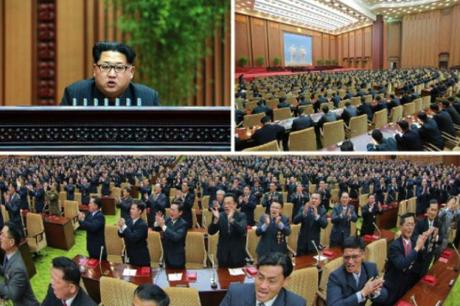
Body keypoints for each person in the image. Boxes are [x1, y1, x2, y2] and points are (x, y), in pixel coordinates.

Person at [60, 41, 159, 106]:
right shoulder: (75, 94)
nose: (112, 74)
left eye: (119, 68)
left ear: (131, 72)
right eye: (105, 67)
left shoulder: (147, 98)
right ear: (95, 70)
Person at [219, 252, 306, 306]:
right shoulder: (235, 293)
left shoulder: (297, 303)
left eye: (272, 281)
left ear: (285, 281)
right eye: (260, 277)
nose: (263, 286)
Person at [381, 213, 430, 306]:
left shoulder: (413, 241)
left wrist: (422, 247)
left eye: (412, 224)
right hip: (392, 287)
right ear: (400, 226)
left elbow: (421, 260)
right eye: (407, 224)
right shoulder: (394, 246)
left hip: (406, 284)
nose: (410, 227)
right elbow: (402, 264)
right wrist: (417, 248)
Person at [327, 237, 387, 306]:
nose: (350, 262)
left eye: (355, 257)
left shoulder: (371, 268)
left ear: (363, 255)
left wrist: (374, 292)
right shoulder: (335, 277)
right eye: (346, 257)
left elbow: (384, 296)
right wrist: (363, 293)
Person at [0, 222, 39, 305]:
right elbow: (6, 271)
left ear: (11, 242)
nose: (0, 237)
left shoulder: (18, 268)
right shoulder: (9, 254)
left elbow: (12, 294)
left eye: (3, 235)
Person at [208, 194, 247, 268]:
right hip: (223, 256)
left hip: (237, 256)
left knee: (238, 279)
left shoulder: (241, 216)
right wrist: (216, 220)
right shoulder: (220, 215)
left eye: (229, 203)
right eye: (224, 203)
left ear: (235, 204)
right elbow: (211, 232)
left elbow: (243, 230)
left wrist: (231, 220)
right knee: (223, 278)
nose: (226, 206)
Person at [155, 201, 187, 269]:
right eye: (170, 209)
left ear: (180, 212)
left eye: (173, 210)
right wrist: (157, 222)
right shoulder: (168, 220)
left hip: (177, 258)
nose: (171, 212)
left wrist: (163, 226)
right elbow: (156, 228)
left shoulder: (183, 224)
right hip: (167, 256)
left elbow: (176, 237)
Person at [414, 200, 443, 275]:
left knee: (424, 274)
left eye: (435, 210)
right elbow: (414, 237)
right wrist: (423, 236)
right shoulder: (420, 222)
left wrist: (436, 237)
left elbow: (441, 239)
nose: (433, 212)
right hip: (419, 257)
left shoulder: (438, 223)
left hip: (430, 255)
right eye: (432, 209)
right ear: (427, 210)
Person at [117, 200, 151, 266]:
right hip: (130, 255)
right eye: (131, 208)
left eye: (133, 209)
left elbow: (133, 237)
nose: (130, 210)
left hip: (141, 258)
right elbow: (121, 235)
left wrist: (123, 226)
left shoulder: (143, 225)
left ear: (139, 211)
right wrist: (120, 228)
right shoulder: (128, 221)